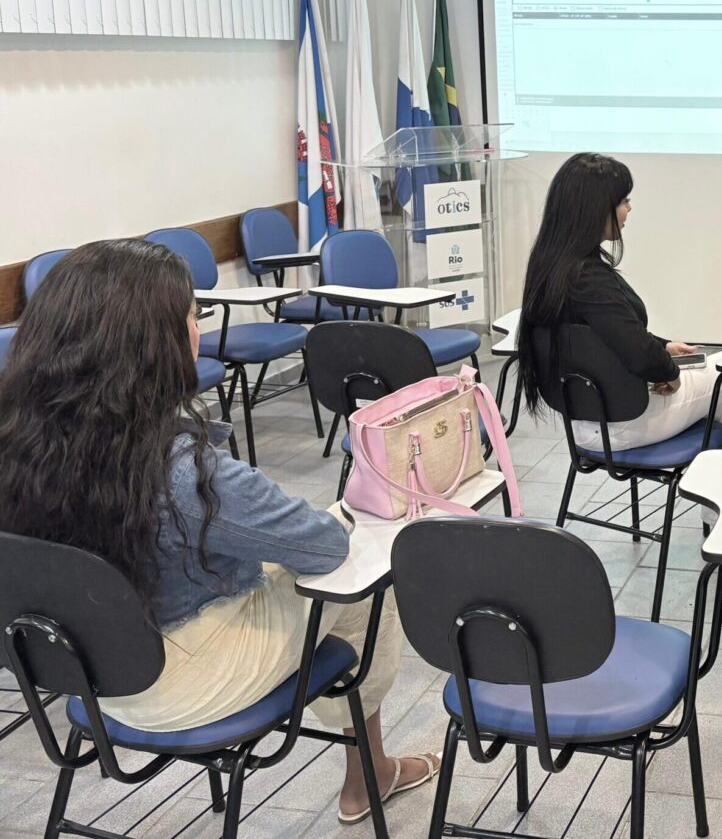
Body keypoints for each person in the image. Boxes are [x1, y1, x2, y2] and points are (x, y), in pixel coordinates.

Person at [0, 240, 438, 825]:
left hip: (83, 678)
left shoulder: (17, 444)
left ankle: (371, 771)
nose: (199, 331)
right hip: (181, 687)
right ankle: (369, 775)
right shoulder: (185, 472)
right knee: (362, 563)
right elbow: (325, 546)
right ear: (156, 343)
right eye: (193, 316)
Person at [515, 152, 722, 449]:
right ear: (595, 208)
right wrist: (668, 372)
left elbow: (606, 333)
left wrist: (662, 347)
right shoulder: (589, 278)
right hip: (624, 422)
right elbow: (634, 349)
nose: (629, 209)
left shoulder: (550, 267)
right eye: (623, 201)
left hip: (584, 423)